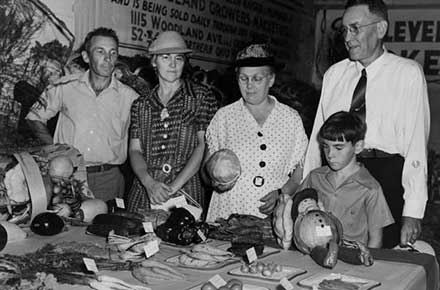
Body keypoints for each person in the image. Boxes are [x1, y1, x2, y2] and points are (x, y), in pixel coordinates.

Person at [303, 0, 430, 248]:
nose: (348, 38)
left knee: (380, 261)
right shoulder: (334, 74)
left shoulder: (408, 73)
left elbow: (416, 145)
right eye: (345, 31)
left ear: (380, 29)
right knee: (331, 251)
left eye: (355, 28)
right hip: (337, 178)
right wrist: (306, 192)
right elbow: (317, 141)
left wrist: (413, 211)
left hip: (386, 177)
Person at [26, 27, 139, 201]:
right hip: (65, 176)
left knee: (108, 226)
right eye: (100, 51)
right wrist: (57, 151)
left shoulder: (130, 97)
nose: (108, 58)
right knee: (63, 224)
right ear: (86, 57)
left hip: (107, 180)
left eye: (113, 52)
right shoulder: (65, 87)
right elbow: (34, 117)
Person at [204, 44, 308, 221]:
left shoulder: (290, 118)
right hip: (229, 209)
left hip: (272, 214)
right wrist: (216, 182)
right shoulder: (224, 117)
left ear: (271, 79)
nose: (249, 85)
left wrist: (282, 193)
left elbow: (301, 170)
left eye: (257, 79)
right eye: (243, 78)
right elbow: (206, 169)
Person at [126, 31, 218, 213]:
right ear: (154, 61)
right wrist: (149, 183)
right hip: (145, 193)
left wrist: (173, 187)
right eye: (165, 57)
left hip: (186, 192)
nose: (173, 65)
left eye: (179, 58)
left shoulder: (201, 97)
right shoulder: (141, 104)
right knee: (139, 239)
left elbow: (202, 146)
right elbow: (135, 150)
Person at [299, 111, 394, 247]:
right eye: (325, 146)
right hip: (314, 250)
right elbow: (295, 210)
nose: (330, 155)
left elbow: (376, 240)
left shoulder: (370, 188)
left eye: (338, 147)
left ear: (358, 146)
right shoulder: (315, 177)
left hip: (352, 257)